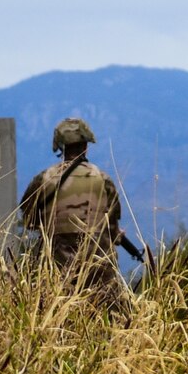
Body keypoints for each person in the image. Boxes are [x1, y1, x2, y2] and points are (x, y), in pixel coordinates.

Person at [19, 119, 128, 309]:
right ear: (86, 145)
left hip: (57, 272)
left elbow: (29, 221)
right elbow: (112, 230)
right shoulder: (102, 179)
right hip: (99, 273)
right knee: (111, 319)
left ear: (61, 146)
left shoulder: (44, 179)